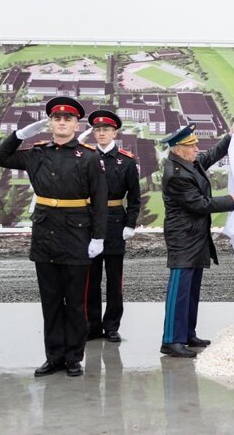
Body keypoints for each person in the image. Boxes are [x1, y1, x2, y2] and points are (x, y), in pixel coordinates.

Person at [0, 96, 107, 377]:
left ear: (76, 124)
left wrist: (98, 238)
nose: (62, 123)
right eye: (57, 119)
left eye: (68, 119)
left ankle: (73, 358)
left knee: (75, 302)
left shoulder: (89, 157)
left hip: (78, 236)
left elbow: (100, 200)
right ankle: (53, 357)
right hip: (45, 235)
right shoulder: (36, 153)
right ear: (50, 123)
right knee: (50, 301)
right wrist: (20, 135)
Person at [159, 123, 234, 357]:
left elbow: (211, 154)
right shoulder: (175, 175)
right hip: (183, 239)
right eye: (191, 145)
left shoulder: (189, 163)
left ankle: (187, 334)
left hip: (195, 236)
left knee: (192, 289)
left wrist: (229, 138)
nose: (197, 148)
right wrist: (231, 199)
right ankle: (171, 341)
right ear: (178, 150)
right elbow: (199, 204)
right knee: (179, 290)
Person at [80, 110, 141, 343]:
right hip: (90, 221)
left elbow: (135, 197)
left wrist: (130, 223)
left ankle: (112, 325)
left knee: (114, 280)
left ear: (115, 132)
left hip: (115, 222)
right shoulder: (86, 157)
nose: (101, 133)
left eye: (106, 129)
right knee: (91, 279)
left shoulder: (125, 160)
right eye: (97, 130)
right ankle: (92, 326)